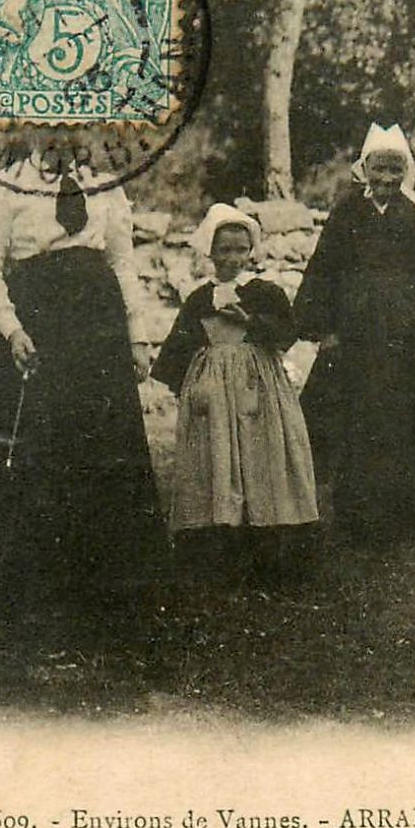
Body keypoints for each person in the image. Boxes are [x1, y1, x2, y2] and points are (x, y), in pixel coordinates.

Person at [0, 150, 163, 672]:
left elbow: (122, 261)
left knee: (106, 458)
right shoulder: (3, 186)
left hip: (96, 329)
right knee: (39, 462)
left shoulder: (105, 185)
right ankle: (36, 612)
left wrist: (136, 334)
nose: (64, 131)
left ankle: (113, 611)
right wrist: (11, 328)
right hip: (36, 326)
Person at [295, 123, 415, 546]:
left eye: (395, 172)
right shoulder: (345, 215)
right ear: (365, 169)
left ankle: (410, 517)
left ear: (406, 174)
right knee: (357, 423)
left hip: (409, 341)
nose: (386, 180)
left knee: (412, 422)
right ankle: (359, 519)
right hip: (356, 340)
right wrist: (325, 330)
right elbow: (322, 273)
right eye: (379, 170)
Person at [151, 204, 317, 582]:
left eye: (240, 250)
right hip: (215, 395)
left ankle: (270, 541)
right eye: (223, 250)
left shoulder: (265, 293)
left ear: (251, 251)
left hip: (259, 391)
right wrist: (191, 391)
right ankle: (221, 545)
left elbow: (288, 334)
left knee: (263, 457)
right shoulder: (198, 298)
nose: (232, 258)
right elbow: (179, 349)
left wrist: (253, 322)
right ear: (210, 253)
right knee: (219, 459)